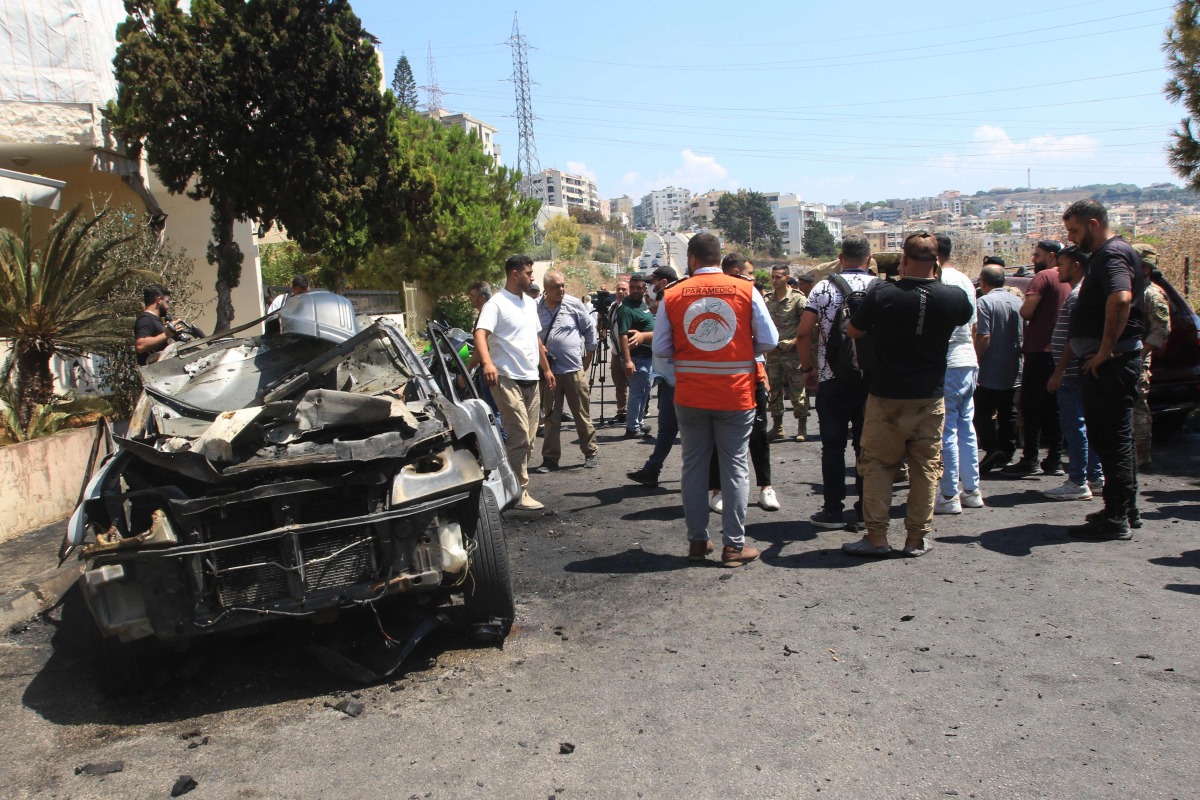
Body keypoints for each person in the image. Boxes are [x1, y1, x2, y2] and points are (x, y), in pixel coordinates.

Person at [842, 232, 974, 558]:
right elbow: (963, 316)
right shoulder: (954, 297)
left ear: (903, 260)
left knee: (877, 466)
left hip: (886, 396)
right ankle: (916, 539)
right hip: (929, 397)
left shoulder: (882, 293)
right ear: (938, 262)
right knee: (925, 469)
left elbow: (853, 330)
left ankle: (876, 538)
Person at [652, 233, 778, 566]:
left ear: (691, 260)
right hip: (735, 394)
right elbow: (770, 340)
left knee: (693, 466)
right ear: (719, 258)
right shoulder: (745, 289)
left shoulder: (673, 293)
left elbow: (661, 348)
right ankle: (734, 547)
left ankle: (697, 542)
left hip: (691, 394)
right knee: (735, 466)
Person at [1062, 199, 1144, 541]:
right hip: (1108, 361)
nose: (1071, 237)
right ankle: (1124, 508)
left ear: (1094, 224)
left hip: (1111, 363)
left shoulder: (1111, 255)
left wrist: (1106, 350)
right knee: (1112, 438)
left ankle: (1116, 518)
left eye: (1074, 230)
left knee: (1113, 439)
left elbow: (1121, 298)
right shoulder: (1108, 254)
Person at [796, 235, 877, 530]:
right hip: (870, 382)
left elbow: (804, 333)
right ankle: (866, 509)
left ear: (840, 257)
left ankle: (832, 510)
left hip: (832, 378)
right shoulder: (880, 289)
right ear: (868, 259)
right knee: (866, 448)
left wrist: (808, 369)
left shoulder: (823, 288)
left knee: (832, 447)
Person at [474, 255, 557, 511]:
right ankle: (518, 490)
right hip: (506, 377)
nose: (532, 277)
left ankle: (505, 483)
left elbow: (536, 340)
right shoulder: (496, 304)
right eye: (529, 273)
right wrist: (487, 363)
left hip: (531, 377)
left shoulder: (530, 304)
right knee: (519, 434)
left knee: (529, 438)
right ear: (514, 274)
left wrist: (546, 368)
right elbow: (480, 333)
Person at [706, 254, 780, 513]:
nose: (753, 278)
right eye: (750, 273)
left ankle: (765, 487)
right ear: (737, 272)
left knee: (757, 434)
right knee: (724, 435)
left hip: (746, 372)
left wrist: (749, 355)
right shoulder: (746, 292)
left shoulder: (739, 293)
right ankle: (718, 490)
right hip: (736, 373)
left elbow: (765, 343)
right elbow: (769, 339)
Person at [1004, 240, 1069, 477]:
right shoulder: (1070, 279)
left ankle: (1030, 458)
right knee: (1056, 409)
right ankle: (1055, 459)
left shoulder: (1043, 278)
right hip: (1062, 352)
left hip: (1040, 351)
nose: (1033, 259)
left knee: (1032, 408)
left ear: (1051, 256)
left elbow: (1027, 311)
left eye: (1037, 255)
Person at [1044, 247, 1103, 500]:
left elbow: (1073, 339)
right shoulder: (1082, 293)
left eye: (1063, 264)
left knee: (1075, 425)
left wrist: (1058, 371)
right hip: (1076, 372)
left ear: (1077, 265)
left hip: (1071, 373)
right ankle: (1094, 475)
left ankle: (1078, 480)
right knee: (1086, 424)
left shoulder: (1078, 295)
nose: (1058, 269)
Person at [933, 234, 984, 515]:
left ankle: (949, 494)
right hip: (968, 360)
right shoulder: (965, 280)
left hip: (950, 362)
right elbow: (973, 328)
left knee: (948, 430)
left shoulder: (941, 281)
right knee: (966, 427)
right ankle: (972, 491)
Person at [534, 270, 599, 473]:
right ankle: (550, 459)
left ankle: (590, 453)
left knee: (581, 414)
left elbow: (589, 330)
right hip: (549, 373)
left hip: (573, 370)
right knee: (551, 418)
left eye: (563, 285)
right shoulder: (535, 308)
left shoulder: (573, 304)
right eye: (556, 286)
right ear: (546, 289)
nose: (561, 289)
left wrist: (586, 361)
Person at [628, 266, 682, 487]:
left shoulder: (676, 300)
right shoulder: (663, 302)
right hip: (668, 377)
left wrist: (644, 335)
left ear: (664, 281)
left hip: (679, 378)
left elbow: (666, 338)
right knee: (667, 428)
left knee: (681, 430)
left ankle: (706, 477)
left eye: (654, 282)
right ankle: (652, 469)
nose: (650, 287)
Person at [973, 266, 1024, 474]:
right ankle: (1007, 452)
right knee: (1008, 411)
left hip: (990, 368)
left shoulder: (984, 302)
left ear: (983, 282)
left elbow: (984, 336)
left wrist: (976, 360)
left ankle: (992, 448)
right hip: (1013, 366)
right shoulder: (1018, 302)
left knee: (982, 412)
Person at [1132, 244, 1171, 467]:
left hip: (1138, 357)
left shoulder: (1151, 294)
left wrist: (1142, 351)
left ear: (1145, 268)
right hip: (1126, 355)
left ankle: (1141, 454)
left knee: (1138, 406)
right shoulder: (1132, 290)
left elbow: (1161, 329)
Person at [764, 263, 810, 442]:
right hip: (774, 354)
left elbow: (809, 326)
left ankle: (802, 427)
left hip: (793, 354)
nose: (774, 280)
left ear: (787, 277)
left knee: (798, 391)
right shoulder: (767, 300)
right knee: (774, 392)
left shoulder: (798, 299)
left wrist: (794, 342)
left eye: (778, 277)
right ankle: (777, 427)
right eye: (772, 277)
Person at [615, 274, 656, 439]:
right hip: (637, 358)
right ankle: (632, 428)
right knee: (637, 392)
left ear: (644, 289)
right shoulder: (626, 308)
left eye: (639, 287)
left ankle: (638, 422)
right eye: (632, 287)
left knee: (645, 390)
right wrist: (628, 360)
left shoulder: (642, 305)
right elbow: (623, 335)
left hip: (647, 357)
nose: (635, 291)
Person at [134, 284, 186, 366]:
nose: (168, 307)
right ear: (159, 300)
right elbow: (141, 345)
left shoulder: (155, 320)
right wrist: (166, 334)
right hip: (153, 374)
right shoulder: (145, 319)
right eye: (167, 302)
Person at [607, 280, 630, 423]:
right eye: (618, 289)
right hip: (615, 351)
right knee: (619, 384)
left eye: (624, 289)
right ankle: (622, 411)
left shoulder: (632, 308)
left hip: (630, 352)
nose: (621, 292)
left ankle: (637, 412)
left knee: (635, 384)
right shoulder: (613, 307)